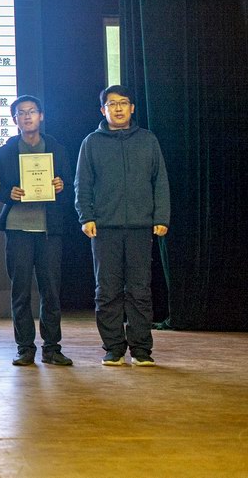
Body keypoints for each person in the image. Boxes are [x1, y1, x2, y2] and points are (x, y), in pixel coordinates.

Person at [75, 85, 170, 366]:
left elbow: (160, 181)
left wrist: (161, 217)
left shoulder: (148, 140)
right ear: (102, 110)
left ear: (132, 108)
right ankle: (113, 348)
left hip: (141, 227)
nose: (118, 108)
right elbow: (83, 184)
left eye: (123, 103)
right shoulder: (91, 142)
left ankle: (141, 350)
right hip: (104, 228)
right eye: (112, 104)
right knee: (107, 291)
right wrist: (86, 217)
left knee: (140, 290)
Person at [0, 95, 73, 366]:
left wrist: (61, 186)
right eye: (21, 113)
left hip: (49, 229)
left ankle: (52, 347)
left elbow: (69, 185)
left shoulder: (57, 148)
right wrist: (9, 193)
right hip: (17, 228)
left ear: (41, 116)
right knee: (21, 291)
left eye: (32, 111)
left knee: (51, 291)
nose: (27, 116)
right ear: (14, 119)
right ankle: (25, 347)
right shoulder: (6, 151)